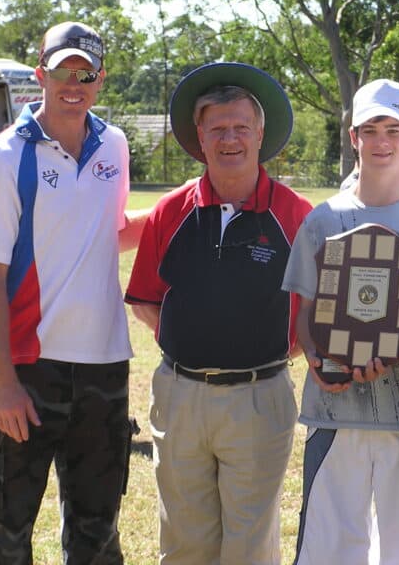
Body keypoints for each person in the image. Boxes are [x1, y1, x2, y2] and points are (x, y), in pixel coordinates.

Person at [0, 21, 147, 564]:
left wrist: (185, 199)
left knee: (97, 536)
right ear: (40, 73)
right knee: (3, 536)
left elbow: (107, 232)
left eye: (85, 74)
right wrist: (3, 383)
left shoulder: (114, 144)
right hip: (28, 369)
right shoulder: (6, 155)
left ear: (100, 78)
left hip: (104, 369)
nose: (74, 83)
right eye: (62, 70)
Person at [125, 62, 313, 565]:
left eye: (241, 127)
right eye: (218, 129)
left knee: (249, 547)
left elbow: (314, 311)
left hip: (260, 397)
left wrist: (263, 352)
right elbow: (145, 300)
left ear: (260, 135)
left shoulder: (296, 214)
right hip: (180, 397)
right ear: (200, 138)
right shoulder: (170, 210)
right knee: (184, 545)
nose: (230, 139)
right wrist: (195, 347)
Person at [283, 79, 399, 565]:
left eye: (394, 130)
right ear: (353, 136)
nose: (382, 142)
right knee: (327, 550)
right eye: (370, 130)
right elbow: (306, 312)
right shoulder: (324, 219)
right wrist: (319, 360)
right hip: (333, 409)